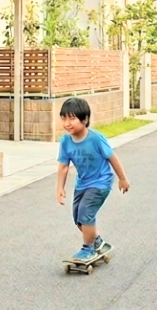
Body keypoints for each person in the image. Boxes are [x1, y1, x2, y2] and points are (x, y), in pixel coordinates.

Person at [55, 97, 130, 262]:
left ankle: (87, 249)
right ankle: (97, 241)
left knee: (85, 214)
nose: (67, 123)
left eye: (72, 118)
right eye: (64, 118)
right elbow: (63, 166)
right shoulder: (66, 141)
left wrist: (122, 179)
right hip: (82, 184)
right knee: (78, 219)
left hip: (100, 182)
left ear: (85, 119)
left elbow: (112, 157)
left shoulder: (96, 138)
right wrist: (60, 188)